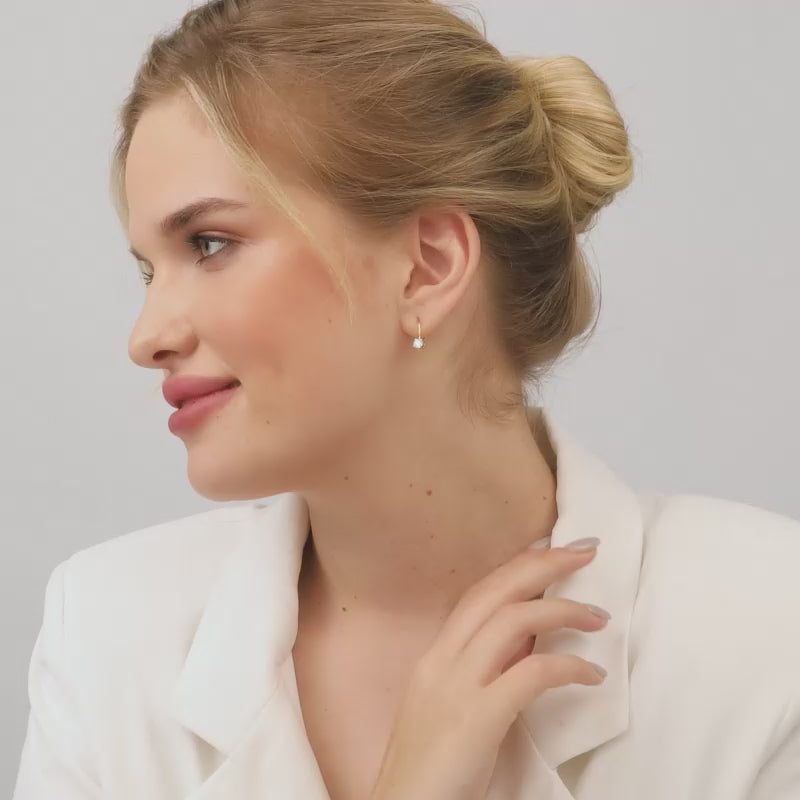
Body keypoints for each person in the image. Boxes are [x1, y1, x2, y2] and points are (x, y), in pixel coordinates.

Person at [13, 1, 800, 799]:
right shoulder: (106, 634)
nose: (146, 337)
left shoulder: (768, 629)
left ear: (427, 268)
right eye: (150, 270)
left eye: (209, 244)